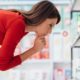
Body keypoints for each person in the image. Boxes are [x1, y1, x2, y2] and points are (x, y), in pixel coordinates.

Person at [0, 0, 60, 71]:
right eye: (50, 25)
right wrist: (34, 49)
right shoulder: (18, 24)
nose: (50, 31)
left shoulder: (23, 27)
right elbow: (2, 65)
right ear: (41, 17)